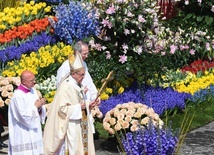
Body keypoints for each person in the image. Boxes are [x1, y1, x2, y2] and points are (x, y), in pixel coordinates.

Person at [43, 52, 97, 155]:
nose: (83, 77)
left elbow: (78, 101)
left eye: (84, 75)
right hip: (71, 126)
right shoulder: (65, 87)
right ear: (73, 74)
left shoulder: (78, 84)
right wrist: (79, 107)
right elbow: (62, 109)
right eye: (81, 75)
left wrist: (88, 104)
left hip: (81, 124)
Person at [8, 70, 46, 155]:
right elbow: (22, 115)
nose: (34, 82)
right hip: (23, 132)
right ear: (24, 82)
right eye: (31, 80)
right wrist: (36, 107)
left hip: (34, 130)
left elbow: (37, 108)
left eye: (34, 80)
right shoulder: (18, 96)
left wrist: (40, 106)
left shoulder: (32, 91)